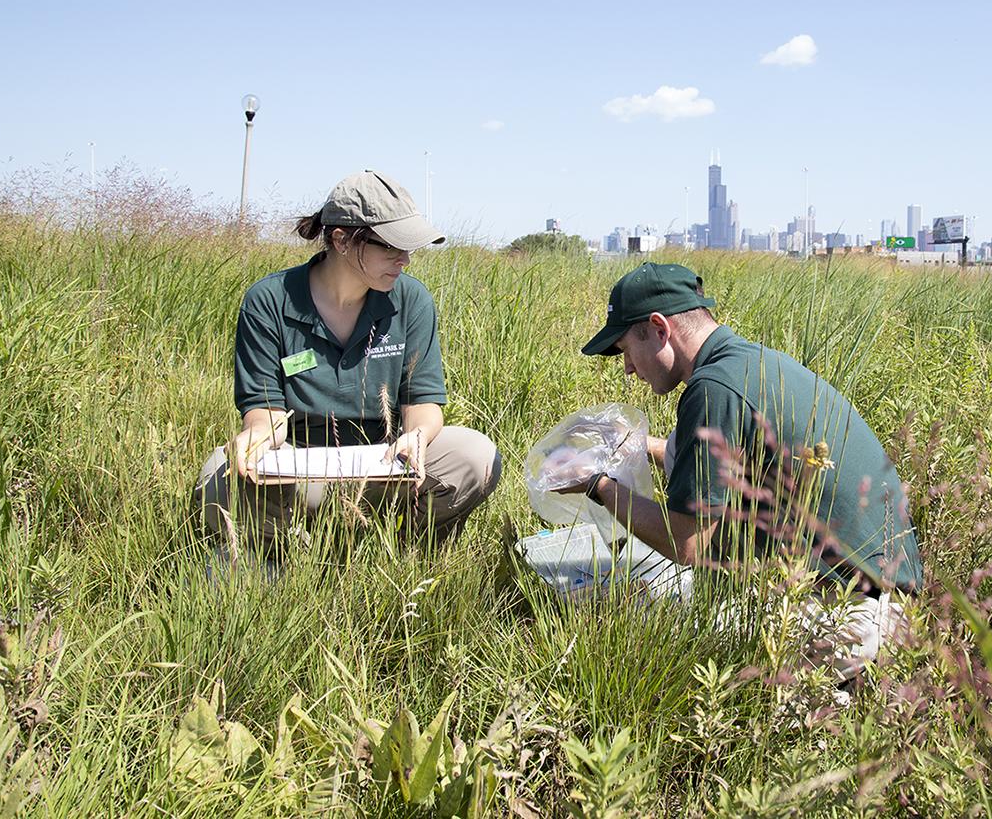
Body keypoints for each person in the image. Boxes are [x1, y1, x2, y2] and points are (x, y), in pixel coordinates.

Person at [572, 262, 923, 675]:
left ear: (660, 328)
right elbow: (711, 465)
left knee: (649, 628)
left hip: (855, 616)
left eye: (627, 350)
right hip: (886, 602)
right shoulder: (746, 364)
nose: (629, 368)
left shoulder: (713, 389)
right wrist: (636, 445)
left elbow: (687, 544)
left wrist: (598, 486)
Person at [194, 170, 501, 555]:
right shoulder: (269, 300)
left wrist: (417, 437)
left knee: (476, 456)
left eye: (408, 248)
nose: (405, 260)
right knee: (216, 477)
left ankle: (398, 547)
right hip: (299, 470)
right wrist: (256, 437)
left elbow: (422, 400)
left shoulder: (411, 300)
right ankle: (285, 552)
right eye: (390, 247)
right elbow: (265, 410)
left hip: (387, 465)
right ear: (341, 240)